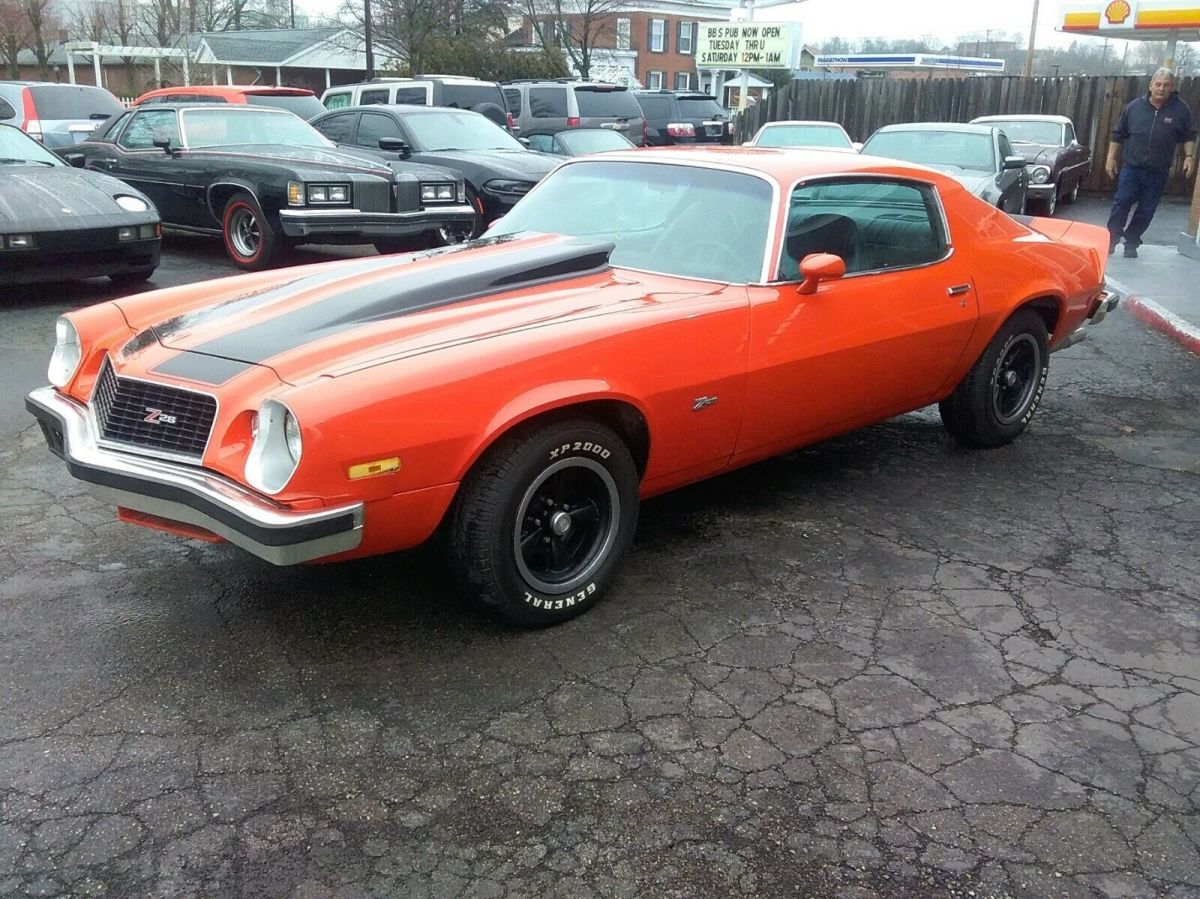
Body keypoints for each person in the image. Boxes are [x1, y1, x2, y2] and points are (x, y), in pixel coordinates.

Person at [1105, 68, 1197, 258]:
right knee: (1121, 203)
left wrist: (1189, 157)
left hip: (1158, 171)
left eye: (1166, 85)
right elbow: (1117, 135)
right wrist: (1110, 158)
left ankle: (1132, 242)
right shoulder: (1134, 107)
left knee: (1146, 210)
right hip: (1131, 168)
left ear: (1172, 88)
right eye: (1158, 84)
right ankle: (1111, 240)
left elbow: (1189, 136)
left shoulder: (1181, 110)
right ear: (1151, 85)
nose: (1161, 88)